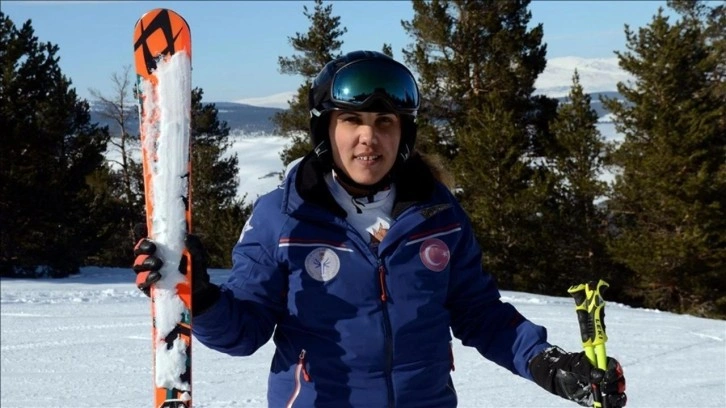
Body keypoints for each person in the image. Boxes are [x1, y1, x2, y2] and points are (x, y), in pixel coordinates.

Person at [134, 50, 626, 408]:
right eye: (352, 120)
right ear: (326, 130)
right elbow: (244, 333)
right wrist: (201, 296)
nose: (369, 137)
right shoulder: (282, 217)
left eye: (384, 122)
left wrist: (550, 365)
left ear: (403, 133)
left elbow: (481, 314)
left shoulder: (438, 214)